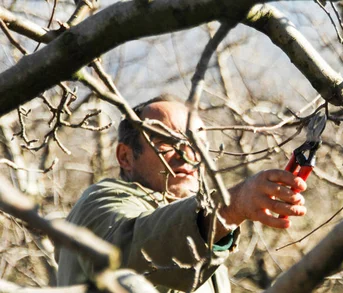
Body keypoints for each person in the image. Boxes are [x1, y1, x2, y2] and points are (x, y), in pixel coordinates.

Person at [56, 95, 307, 292]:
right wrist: (230, 208)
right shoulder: (99, 201)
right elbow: (132, 249)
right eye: (168, 141)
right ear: (126, 156)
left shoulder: (200, 233)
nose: (188, 154)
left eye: (197, 144)